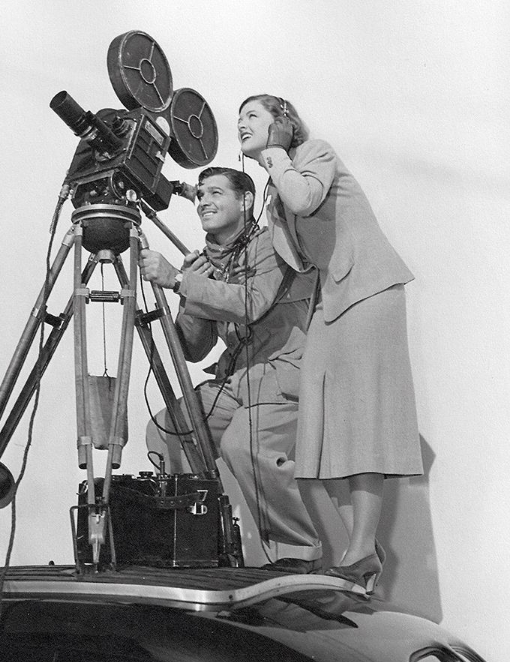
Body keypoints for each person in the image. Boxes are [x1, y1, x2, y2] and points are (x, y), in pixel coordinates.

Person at [238, 95, 423, 593]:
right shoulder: (278, 188)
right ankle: (361, 550)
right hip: (332, 298)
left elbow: (305, 201)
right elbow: (296, 261)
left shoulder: (314, 153)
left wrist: (275, 158)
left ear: (283, 123)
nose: (241, 124)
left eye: (252, 116)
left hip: (366, 290)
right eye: (240, 120)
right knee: (323, 428)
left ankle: (360, 550)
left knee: (360, 420)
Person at [139, 166, 322, 573]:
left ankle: (298, 553)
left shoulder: (271, 243)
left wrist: (179, 280)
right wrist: (188, 294)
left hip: (283, 374)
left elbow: (252, 303)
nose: (204, 201)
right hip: (234, 380)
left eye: (217, 193)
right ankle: (198, 543)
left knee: (245, 445)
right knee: (166, 429)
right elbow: (194, 347)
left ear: (246, 201)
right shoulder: (206, 262)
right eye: (201, 193)